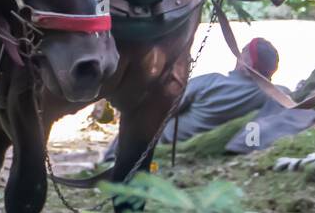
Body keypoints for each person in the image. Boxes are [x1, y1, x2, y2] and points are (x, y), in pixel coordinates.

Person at [104, 38, 285, 160]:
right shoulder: (270, 95)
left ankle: (109, 159)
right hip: (198, 147)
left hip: (164, 141)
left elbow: (165, 105)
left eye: (243, 53)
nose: (238, 56)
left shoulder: (213, 82)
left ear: (249, 64)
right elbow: (291, 97)